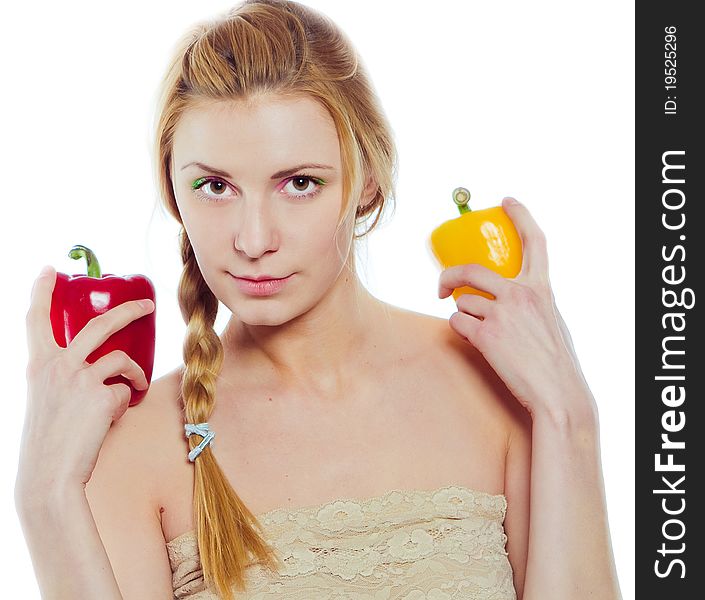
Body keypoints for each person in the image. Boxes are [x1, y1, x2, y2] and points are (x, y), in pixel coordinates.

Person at [15, 1, 622, 598]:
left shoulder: (496, 386)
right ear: (174, 193)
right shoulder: (136, 443)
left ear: (368, 183)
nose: (254, 240)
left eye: (299, 183)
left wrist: (570, 414)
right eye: (215, 186)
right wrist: (44, 499)